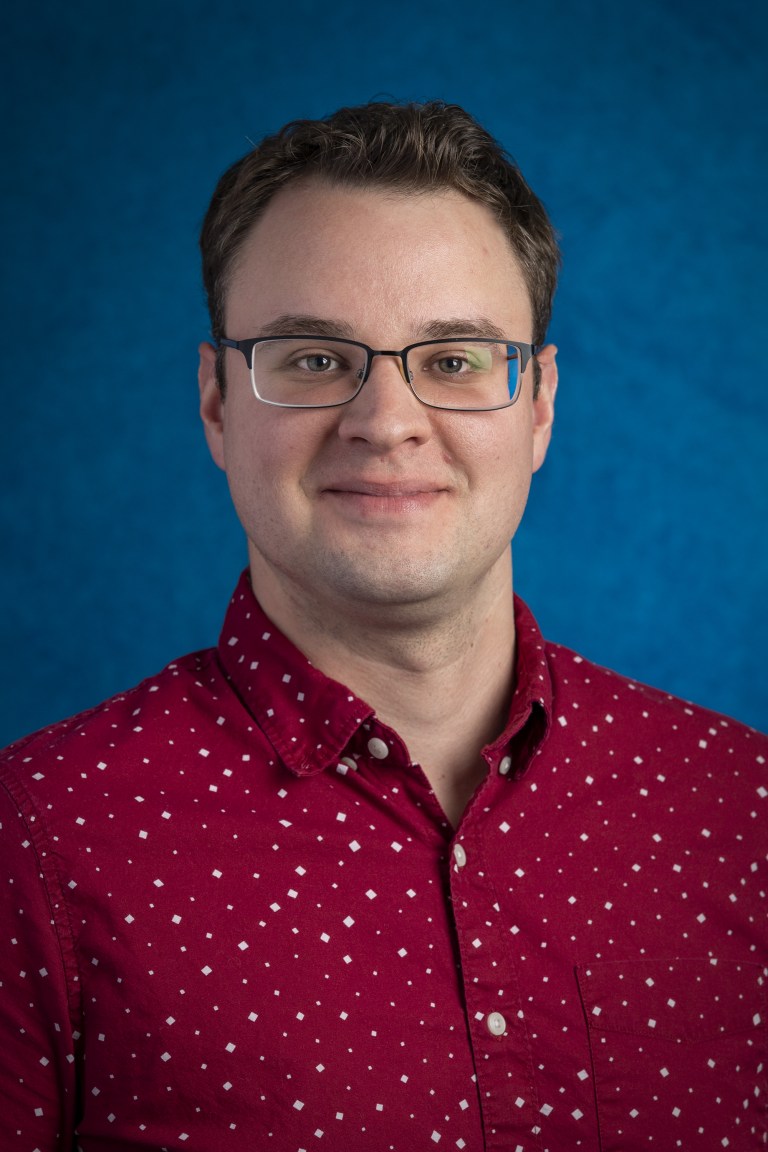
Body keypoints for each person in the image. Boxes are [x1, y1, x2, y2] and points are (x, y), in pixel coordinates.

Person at [0, 101, 765, 1152]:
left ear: (538, 404)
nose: (386, 419)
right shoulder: (34, 840)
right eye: (313, 359)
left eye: (453, 359)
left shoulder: (741, 811)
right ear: (218, 402)